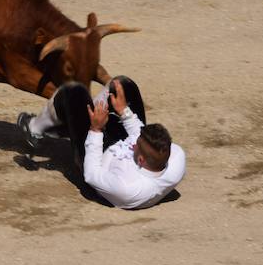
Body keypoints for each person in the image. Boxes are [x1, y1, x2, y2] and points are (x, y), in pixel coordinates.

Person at [17, 77, 186, 209]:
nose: (133, 142)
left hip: (98, 159)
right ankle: (81, 116)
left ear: (141, 160)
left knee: (73, 92)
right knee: (124, 85)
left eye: (136, 145)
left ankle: (34, 128)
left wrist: (96, 130)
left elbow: (91, 174)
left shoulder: (127, 188)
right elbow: (137, 135)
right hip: (119, 145)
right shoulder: (175, 156)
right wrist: (124, 112)